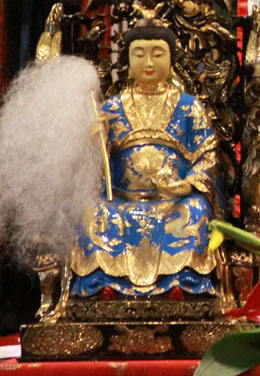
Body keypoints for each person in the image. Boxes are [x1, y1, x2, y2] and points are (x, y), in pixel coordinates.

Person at [70, 23, 223, 298]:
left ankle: (181, 282)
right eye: (139, 55)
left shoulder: (189, 106)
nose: (149, 63)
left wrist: (189, 185)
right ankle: (104, 284)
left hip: (173, 202)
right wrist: (93, 142)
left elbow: (208, 153)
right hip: (121, 201)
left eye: (158, 54)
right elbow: (94, 168)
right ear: (128, 62)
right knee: (92, 212)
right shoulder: (112, 108)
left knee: (197, 210)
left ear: (172, 61)